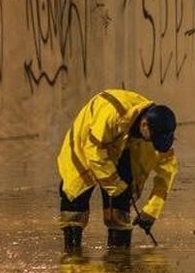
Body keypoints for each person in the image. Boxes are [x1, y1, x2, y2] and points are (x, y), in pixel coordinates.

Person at [56, 90, 178, 252]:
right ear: (144, 125)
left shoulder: (156, 129)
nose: (154, 143)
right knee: (74, 207)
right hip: (86, 147)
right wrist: (117, 187)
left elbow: (167, 171)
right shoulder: (112, 114)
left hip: (123, 147)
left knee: (119, 211)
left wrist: (151, 211)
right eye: (152, 139)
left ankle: (118, 256)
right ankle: (72, 257)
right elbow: (94, 152)